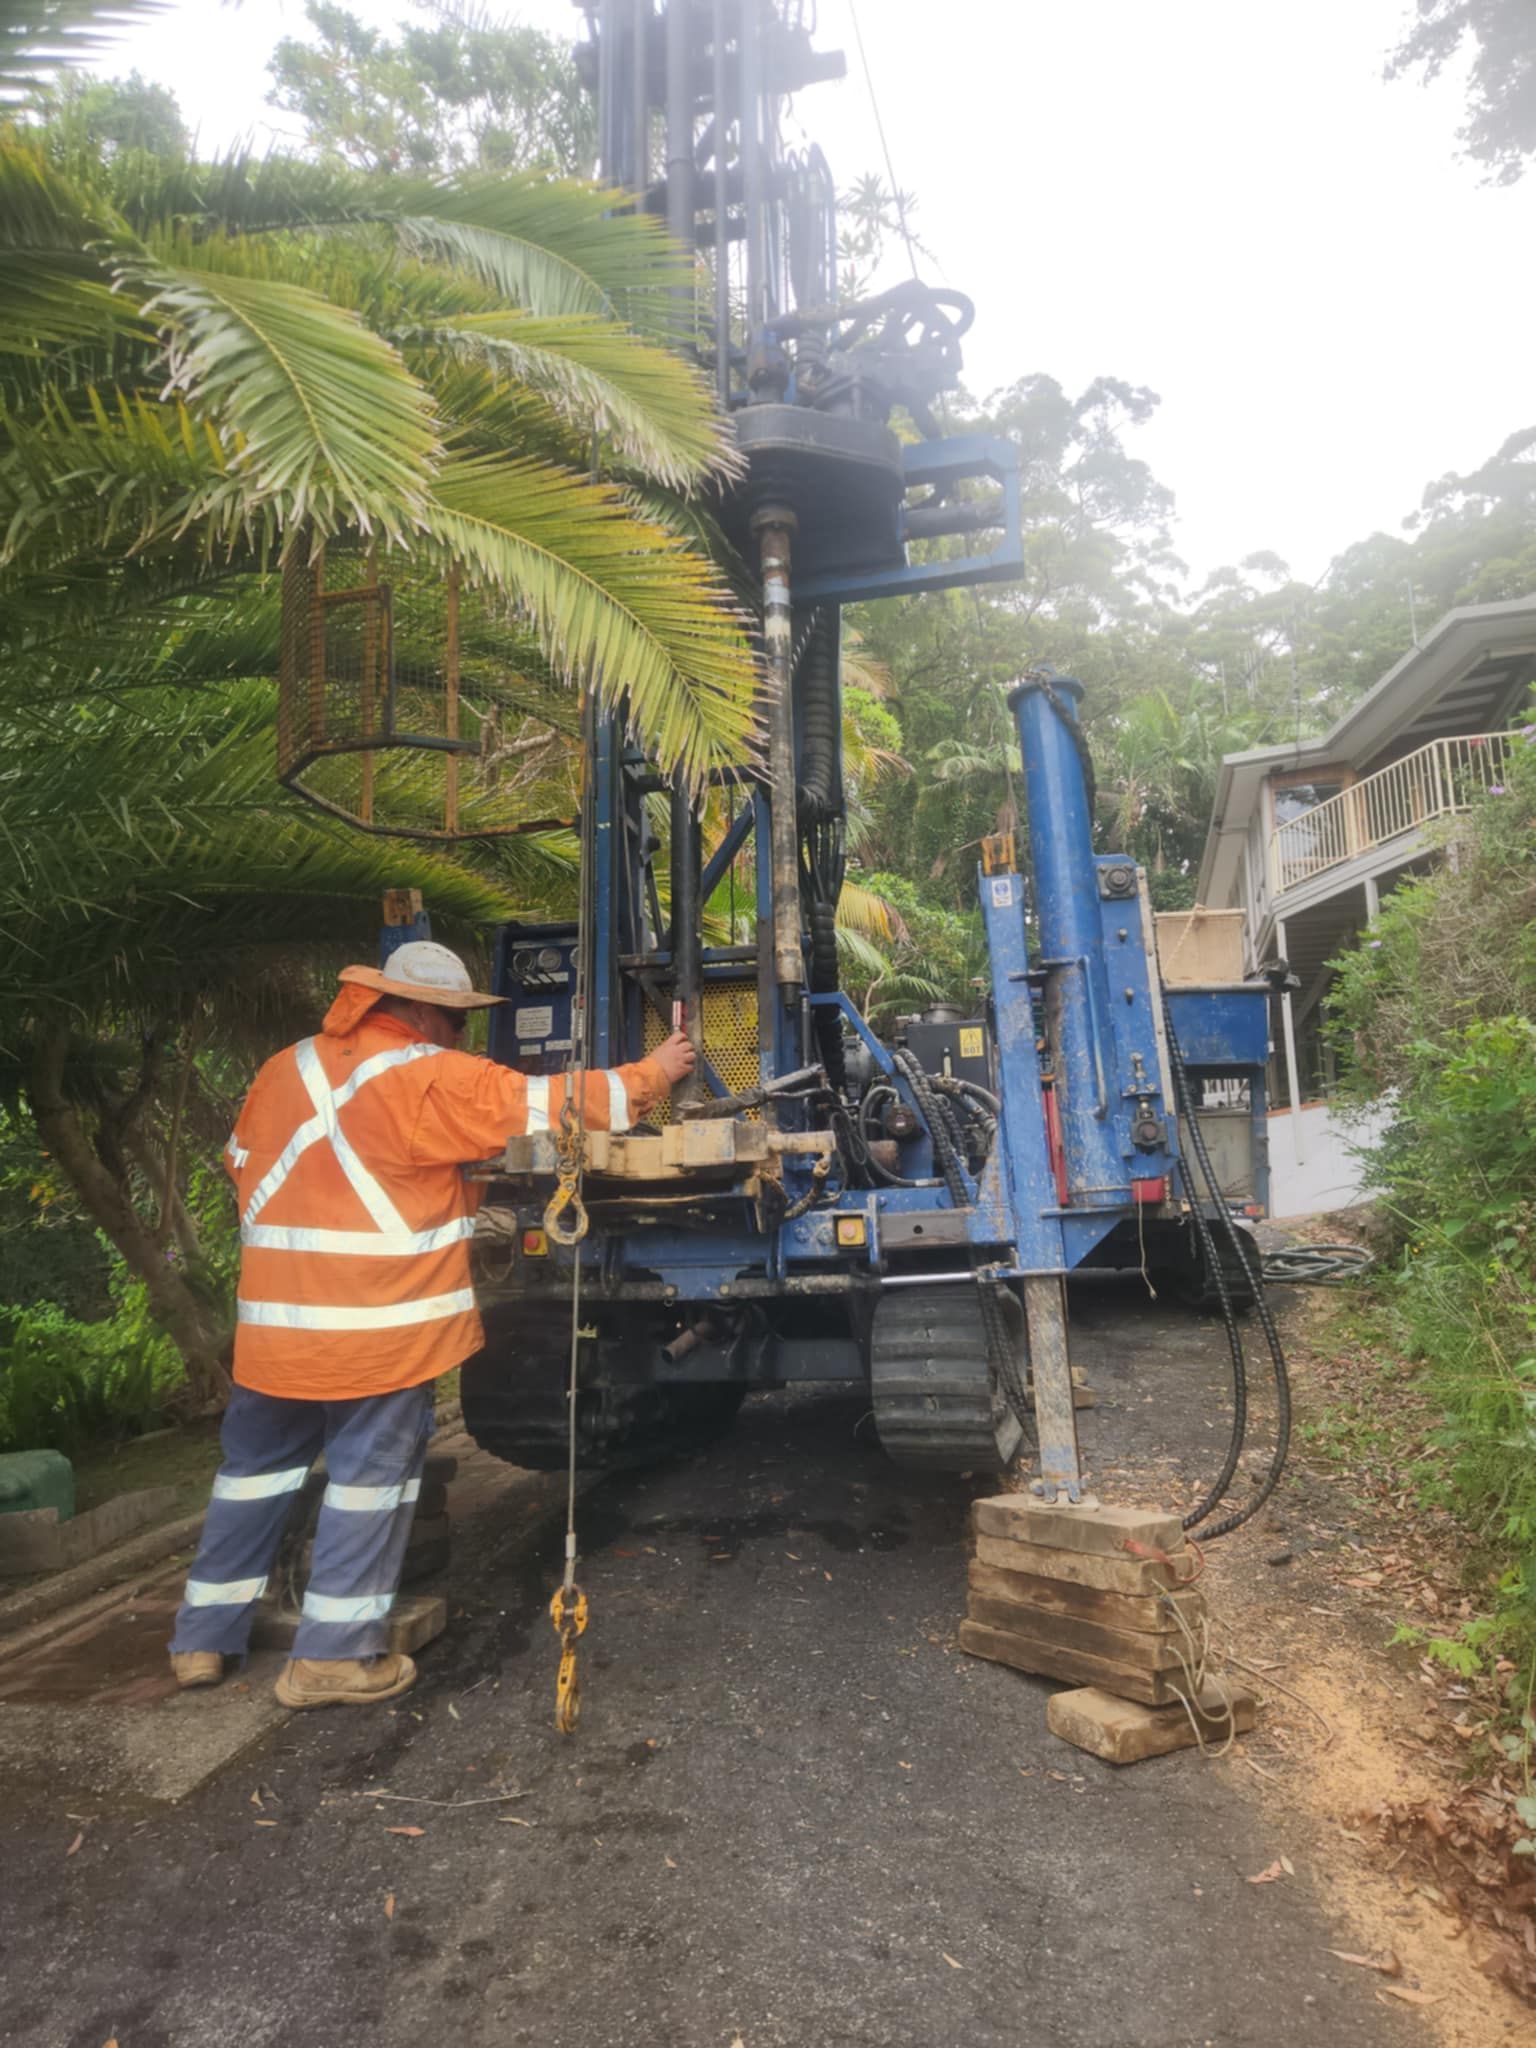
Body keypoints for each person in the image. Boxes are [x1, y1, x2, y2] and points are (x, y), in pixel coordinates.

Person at [168, 941, 695, 1708]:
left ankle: (202, 1642)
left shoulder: (286, 1069)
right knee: (367, 1483)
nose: (456, 1034)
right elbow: (560, 1109)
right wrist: (657, 1072)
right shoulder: (427, 1075)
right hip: (377, 1331)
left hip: (275, 1335)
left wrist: (427, 1178)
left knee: (254, 1477)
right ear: (415, 1011)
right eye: (452, 1019)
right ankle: (332, 1658)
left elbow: (245, 1160)